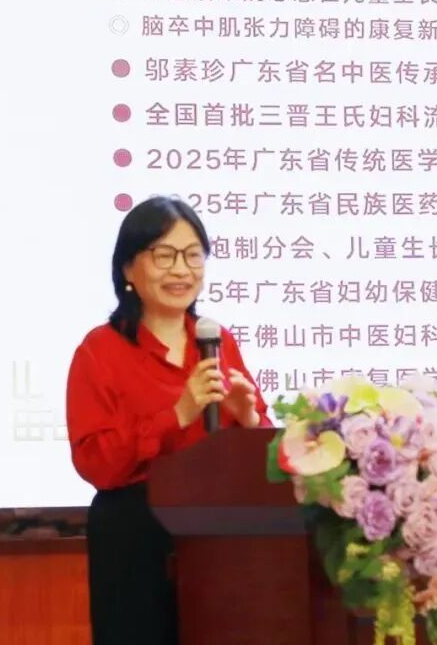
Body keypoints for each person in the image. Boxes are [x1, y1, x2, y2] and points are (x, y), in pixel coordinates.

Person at [66, 196, 270, 645]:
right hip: (135, 539)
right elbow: (96, 462)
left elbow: (264, 453)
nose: (182, 270)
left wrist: (249, 417)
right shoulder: (100, 351)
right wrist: (177, 414)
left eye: (193, 255)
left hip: (221, 534)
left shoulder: (217, 341)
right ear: (128, 268)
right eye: (164, 255)